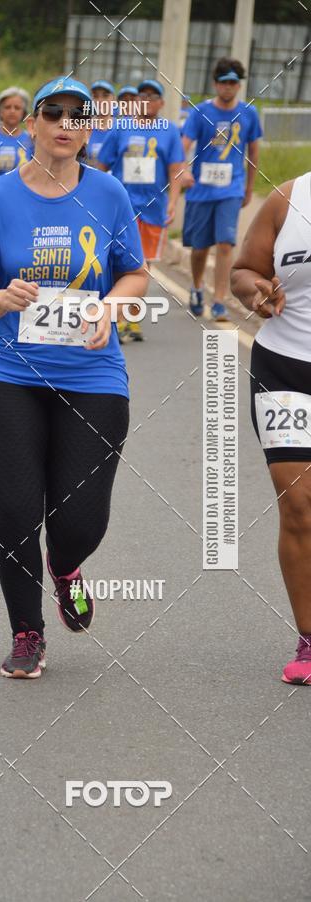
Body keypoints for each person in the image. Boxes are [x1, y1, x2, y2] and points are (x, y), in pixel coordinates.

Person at [0, 76, 147, 679]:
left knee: (81, 520)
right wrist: (3, 297)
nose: (66, 123)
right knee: (14, 510)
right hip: (7, 374)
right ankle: (27, 631)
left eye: (78, 115)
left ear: (88, 130)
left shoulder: (110, 194)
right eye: (53, 112)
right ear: (32, 124)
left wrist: (110, 307)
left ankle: (65, 569)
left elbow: (136, 275)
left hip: (93, 375)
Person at [231, 171, 311, 685]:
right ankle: (310, 639)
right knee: (299, 504)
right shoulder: (289, 198)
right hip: (286, 367)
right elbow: (243, 271)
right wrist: (253, 291)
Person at [97, 78, 185, 343]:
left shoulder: (169, 131)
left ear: (161, 103)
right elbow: (101, 166)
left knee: (143, 265)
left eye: (152, 96)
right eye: (142, 95)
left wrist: (173, 202)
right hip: (120, 208)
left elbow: (176, 169)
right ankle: (115, 317)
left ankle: (132, 319)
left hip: (153, 208)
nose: (146, 100)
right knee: (116, 263)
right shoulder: (120, 128)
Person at [181, 57, 262, 322]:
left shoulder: (249, 113)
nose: (228, 87)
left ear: (239, 85)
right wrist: (182, 170)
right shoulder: (200, 112)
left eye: (233, 83)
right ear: (216, 84)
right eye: (224, 82)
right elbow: (184, 145)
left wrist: (249, 188)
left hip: (231, 189)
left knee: (226, 243)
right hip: (202, 190)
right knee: (200, 247)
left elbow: (254, 153)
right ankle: (196, 287)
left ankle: (219, 300)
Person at [85, 79, 115, 165]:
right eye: (95, 96)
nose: (100, 101)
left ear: (114, 99)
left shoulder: (121, 128)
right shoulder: (84, 128)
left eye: (105, 96)